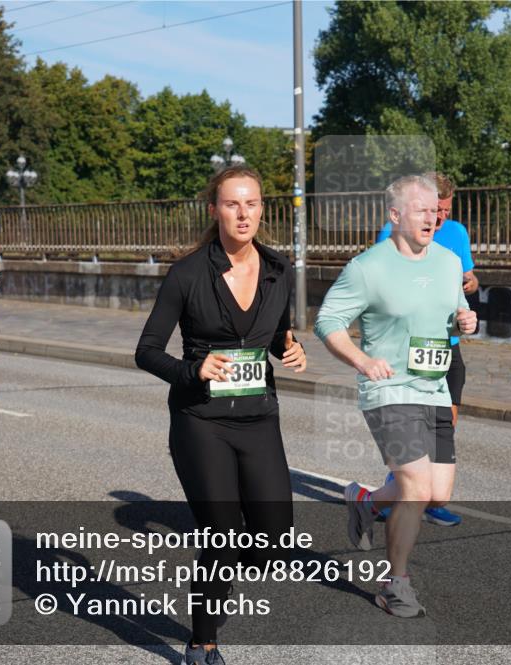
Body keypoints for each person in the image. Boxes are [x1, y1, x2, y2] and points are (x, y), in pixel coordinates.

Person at [135, 165, 306, 665]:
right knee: (223, 534)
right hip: (200, 420)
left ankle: (217, 584)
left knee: (275, 537)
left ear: (262, 208)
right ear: (215, 210)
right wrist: (194, 367)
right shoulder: (187, 274)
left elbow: (274, 333)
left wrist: (289, 349)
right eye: (232, 203)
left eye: (251, 203)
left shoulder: (279, 269)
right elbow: (146, 351)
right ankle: (202, 640)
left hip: (259, 418)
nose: (243, 213)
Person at [315, 174, 477, 618]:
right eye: (421, 210)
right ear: (395, 215)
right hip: (387, 390)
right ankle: (396, 585)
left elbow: (454, 312)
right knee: (415, 486)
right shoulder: (368, 267)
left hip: (435, 387)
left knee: (437, 494)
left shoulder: (446, 262)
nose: (432, 217)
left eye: (434, 210)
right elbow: (327, 322)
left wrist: (465, 321)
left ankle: (365, 502)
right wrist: (362, 362)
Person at [376, 172, 477, 527]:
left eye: (446, 211)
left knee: (443, 423)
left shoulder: (457, 233)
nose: (440, 218)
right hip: (406, 348)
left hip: (446, 347)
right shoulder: (394, 232)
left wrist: (469, 282)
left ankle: (432, 500)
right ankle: (397, 490)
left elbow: (468, 275)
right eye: (435, 209)